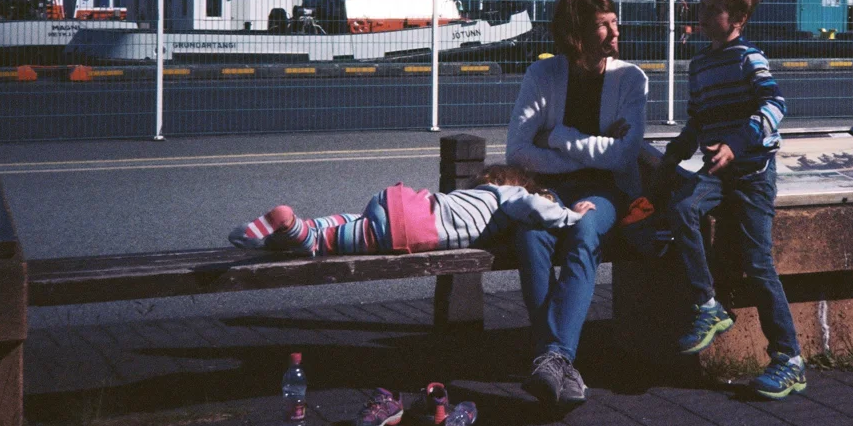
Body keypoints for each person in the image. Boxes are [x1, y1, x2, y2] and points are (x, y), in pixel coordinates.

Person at [661, 0, 803, 399]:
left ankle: (789, 360)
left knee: (758, 264)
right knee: (682, 207)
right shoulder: (699, 64)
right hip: (717, 173)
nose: (703, 15)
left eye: (714, 10)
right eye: (702, 6)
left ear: (738, 19)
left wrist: (737, 144)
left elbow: (775, 104)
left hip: (753, 174)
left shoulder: (748, 58)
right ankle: (708, 305)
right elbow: (699, 118)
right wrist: (678, 149)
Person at [506, 0, 648, 409]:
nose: (615, 32)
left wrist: (558, 136)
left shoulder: (631, 79)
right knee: (531, 234)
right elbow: (518, 152)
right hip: (550, 188)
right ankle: (558, 361)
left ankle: (551, 356)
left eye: (615, 22)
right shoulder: (542, 75)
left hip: (604, 189)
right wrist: (592, 149)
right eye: (603, 25)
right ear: (576, 35)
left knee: (585, 231)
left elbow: (622, 156)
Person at [227, 164, 596, 256]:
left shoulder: (480, 194)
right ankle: (293, 227)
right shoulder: (511, 195)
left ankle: (292, 230)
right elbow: (533, 205)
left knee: (355, 223)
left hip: (403, 202)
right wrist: (571, 215)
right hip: (412, 227)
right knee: (321, 245)